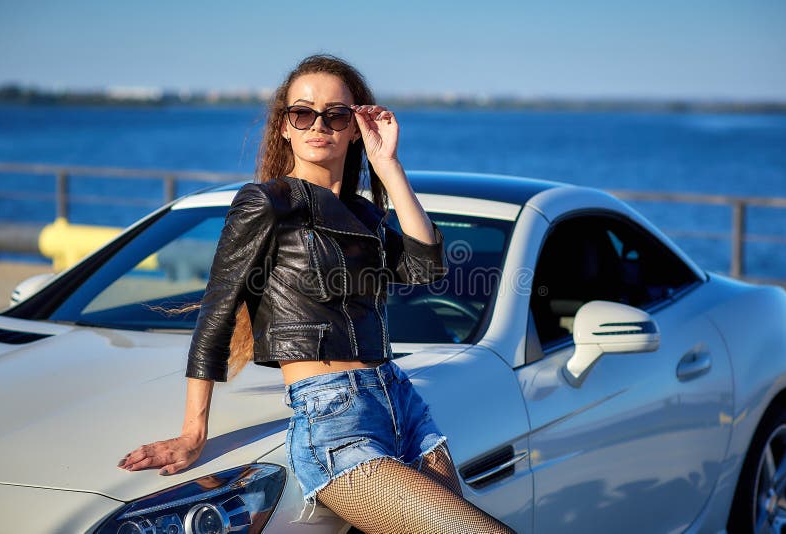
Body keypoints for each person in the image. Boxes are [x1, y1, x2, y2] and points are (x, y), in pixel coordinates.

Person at [118, 54, 515, 534]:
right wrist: (192, 432)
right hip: (334, 418)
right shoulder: (266, 202)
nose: (317, 125)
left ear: (354, 127)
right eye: (302, 113)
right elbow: (217, 314)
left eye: (336, 115)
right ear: (285, 126)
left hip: (402, 403)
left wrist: (387, 165)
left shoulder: (365, 216)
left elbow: (425, 268)